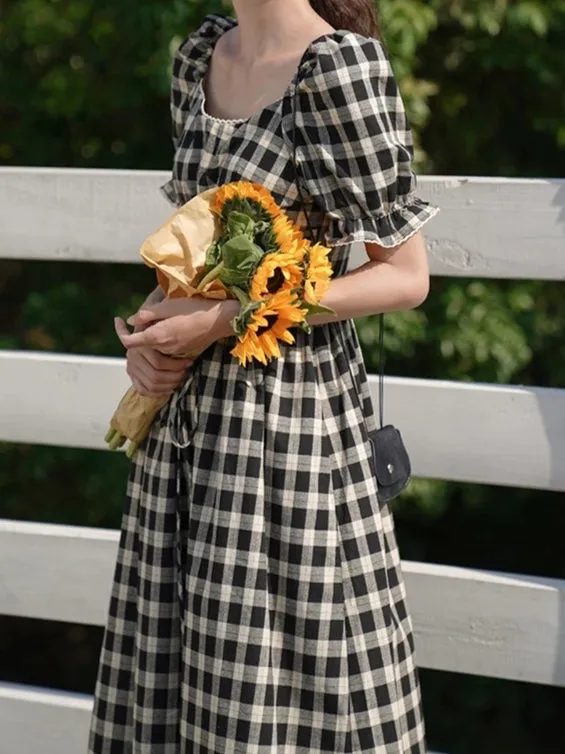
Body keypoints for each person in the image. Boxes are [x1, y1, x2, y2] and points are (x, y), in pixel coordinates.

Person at [89, 1, 439, 752]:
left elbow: (403, 279)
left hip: (286, 421)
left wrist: (227, 321)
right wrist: (150, 335)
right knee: (176, 667)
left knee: (275, 677)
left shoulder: (336, 69)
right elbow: (195, 252)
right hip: (185, 425)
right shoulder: (202, 56)